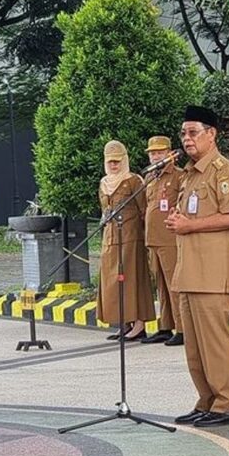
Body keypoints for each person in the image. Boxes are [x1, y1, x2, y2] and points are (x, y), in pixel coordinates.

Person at [165, 105, 229, 427]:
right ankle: (207, 400)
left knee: (215, 345)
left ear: (211, 134)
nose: (187, 139)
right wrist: (179, 221)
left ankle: (227, 404)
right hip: (190, 273)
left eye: (193, 132)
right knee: (195, 347)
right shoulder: (189, 175)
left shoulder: (223, 171)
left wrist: (189, 226)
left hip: (214, 275)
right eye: (183, 133)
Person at [97, 140, 156, 341]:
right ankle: (124, 322)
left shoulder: (133, 181)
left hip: (131, 238)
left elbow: (143, 211)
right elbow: (104, 210)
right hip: (110, 238)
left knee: (132, 279)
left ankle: (139, 324)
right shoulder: (104, 183)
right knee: (112, 282)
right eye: (110, 162)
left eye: (117, 161)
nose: (114, 165)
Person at [140, 135, 184, 346]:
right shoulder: (150, 178)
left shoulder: (178, 176)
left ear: (170, 153)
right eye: (152, 153)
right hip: (153, 239)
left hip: (170, 238)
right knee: (161, 286)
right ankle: (165, 325)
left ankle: (183, 328)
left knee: (174, 284)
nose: (155, 156)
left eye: (159, 152)